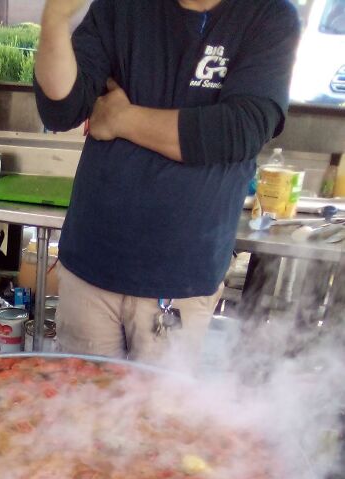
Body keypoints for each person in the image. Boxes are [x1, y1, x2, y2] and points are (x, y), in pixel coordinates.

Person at [34, 0, 300, 364]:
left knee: (158, 418)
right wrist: (54, 19)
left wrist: (123, 120)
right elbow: (61, 108)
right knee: (81, 410)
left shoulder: (268, 15)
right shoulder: (120, 8)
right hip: (92, 265)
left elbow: (240, 130)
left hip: (181, 277)